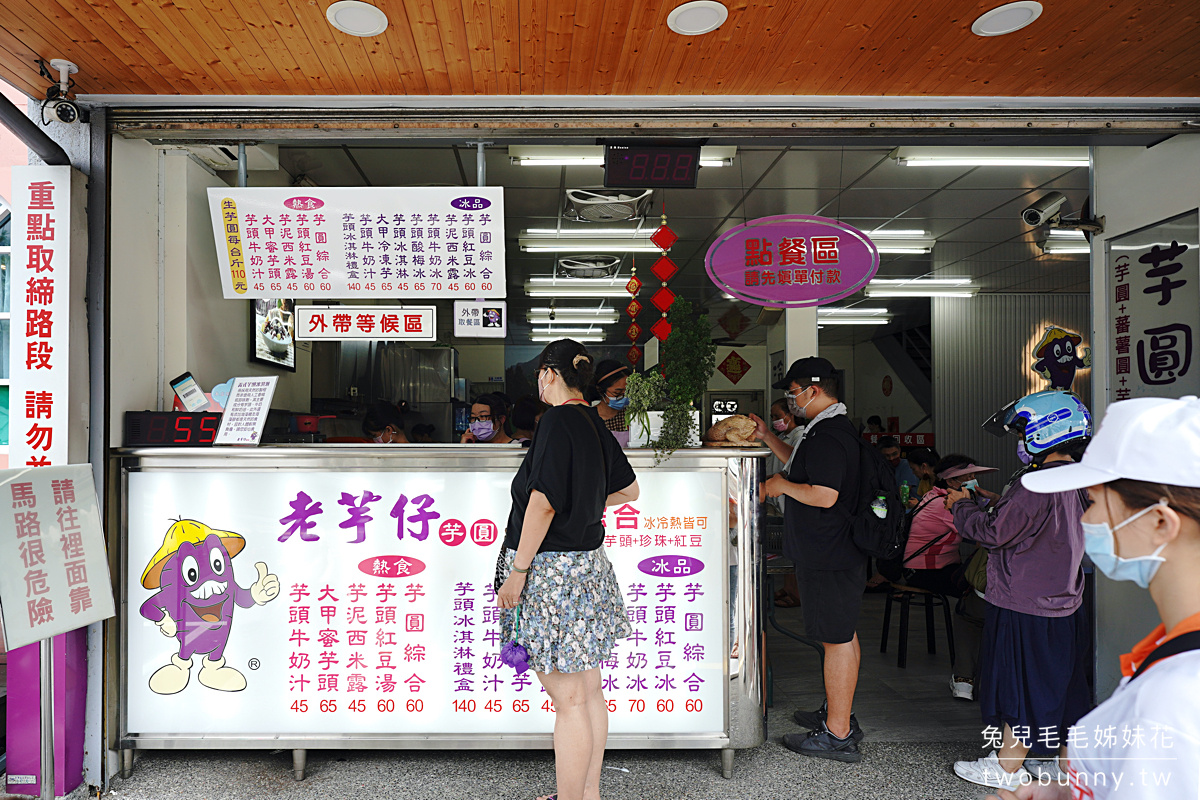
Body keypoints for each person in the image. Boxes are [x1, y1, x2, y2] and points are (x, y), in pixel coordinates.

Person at [991, 395, 1200, 800]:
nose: (1085, 519)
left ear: (1160, 522)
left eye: (1094, 501)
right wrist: (1063, 793)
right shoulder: (1170, 652)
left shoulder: (1175, 698)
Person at [494, 339, 640, 800]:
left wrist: (518, 570)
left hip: (550, 573)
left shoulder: (557, 420)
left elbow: (542, 504)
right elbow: (629, 490)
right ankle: (588, 794)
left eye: (540, 372)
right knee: (588, 692)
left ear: (551, 374)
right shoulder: (592, 422)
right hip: (588, 570)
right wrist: (584, 505)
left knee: (569, 700)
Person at [949, 390, 1094, 791]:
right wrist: (995, 502)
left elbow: (995, 533)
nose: (1018, 440)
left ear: (1045, 430)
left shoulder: (1035, 483)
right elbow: (1043, 524)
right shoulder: (1077, 478)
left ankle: (1006, 767)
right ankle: (1068, 766)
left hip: (1024, 601)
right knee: (1064, 686)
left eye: (1021, 431)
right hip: (1065, 599)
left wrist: (961, 506)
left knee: (1022, 685)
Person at [748, 356, 867, 763]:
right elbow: (801, 466)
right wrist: (767, 437)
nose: (790, 399)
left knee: (835, 639)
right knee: (842, 635)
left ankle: (837, 733)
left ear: (814, 390)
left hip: (830, 552)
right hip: (833, 551)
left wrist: (779, 484)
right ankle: (838, 713)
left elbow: (824, 493)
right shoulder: (823, 430)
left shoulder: (830, 435)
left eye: (793, 391)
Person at [765, 397, 804, 606]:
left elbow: (792, 467)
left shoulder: (800, 437)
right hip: (775, 497)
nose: (774, 421)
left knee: (792, 550)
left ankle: (795, 593)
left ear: (791, 416)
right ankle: (787, 588)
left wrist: (776, 479)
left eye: (778, 417)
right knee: (784, 548)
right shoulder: (782, 436)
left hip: (789, 497)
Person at [591, 360, 631, 440]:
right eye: (617, 393)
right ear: (601, 390)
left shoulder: (631, 416)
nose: (624, 397)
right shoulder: (591, 418)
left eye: (627, 392)